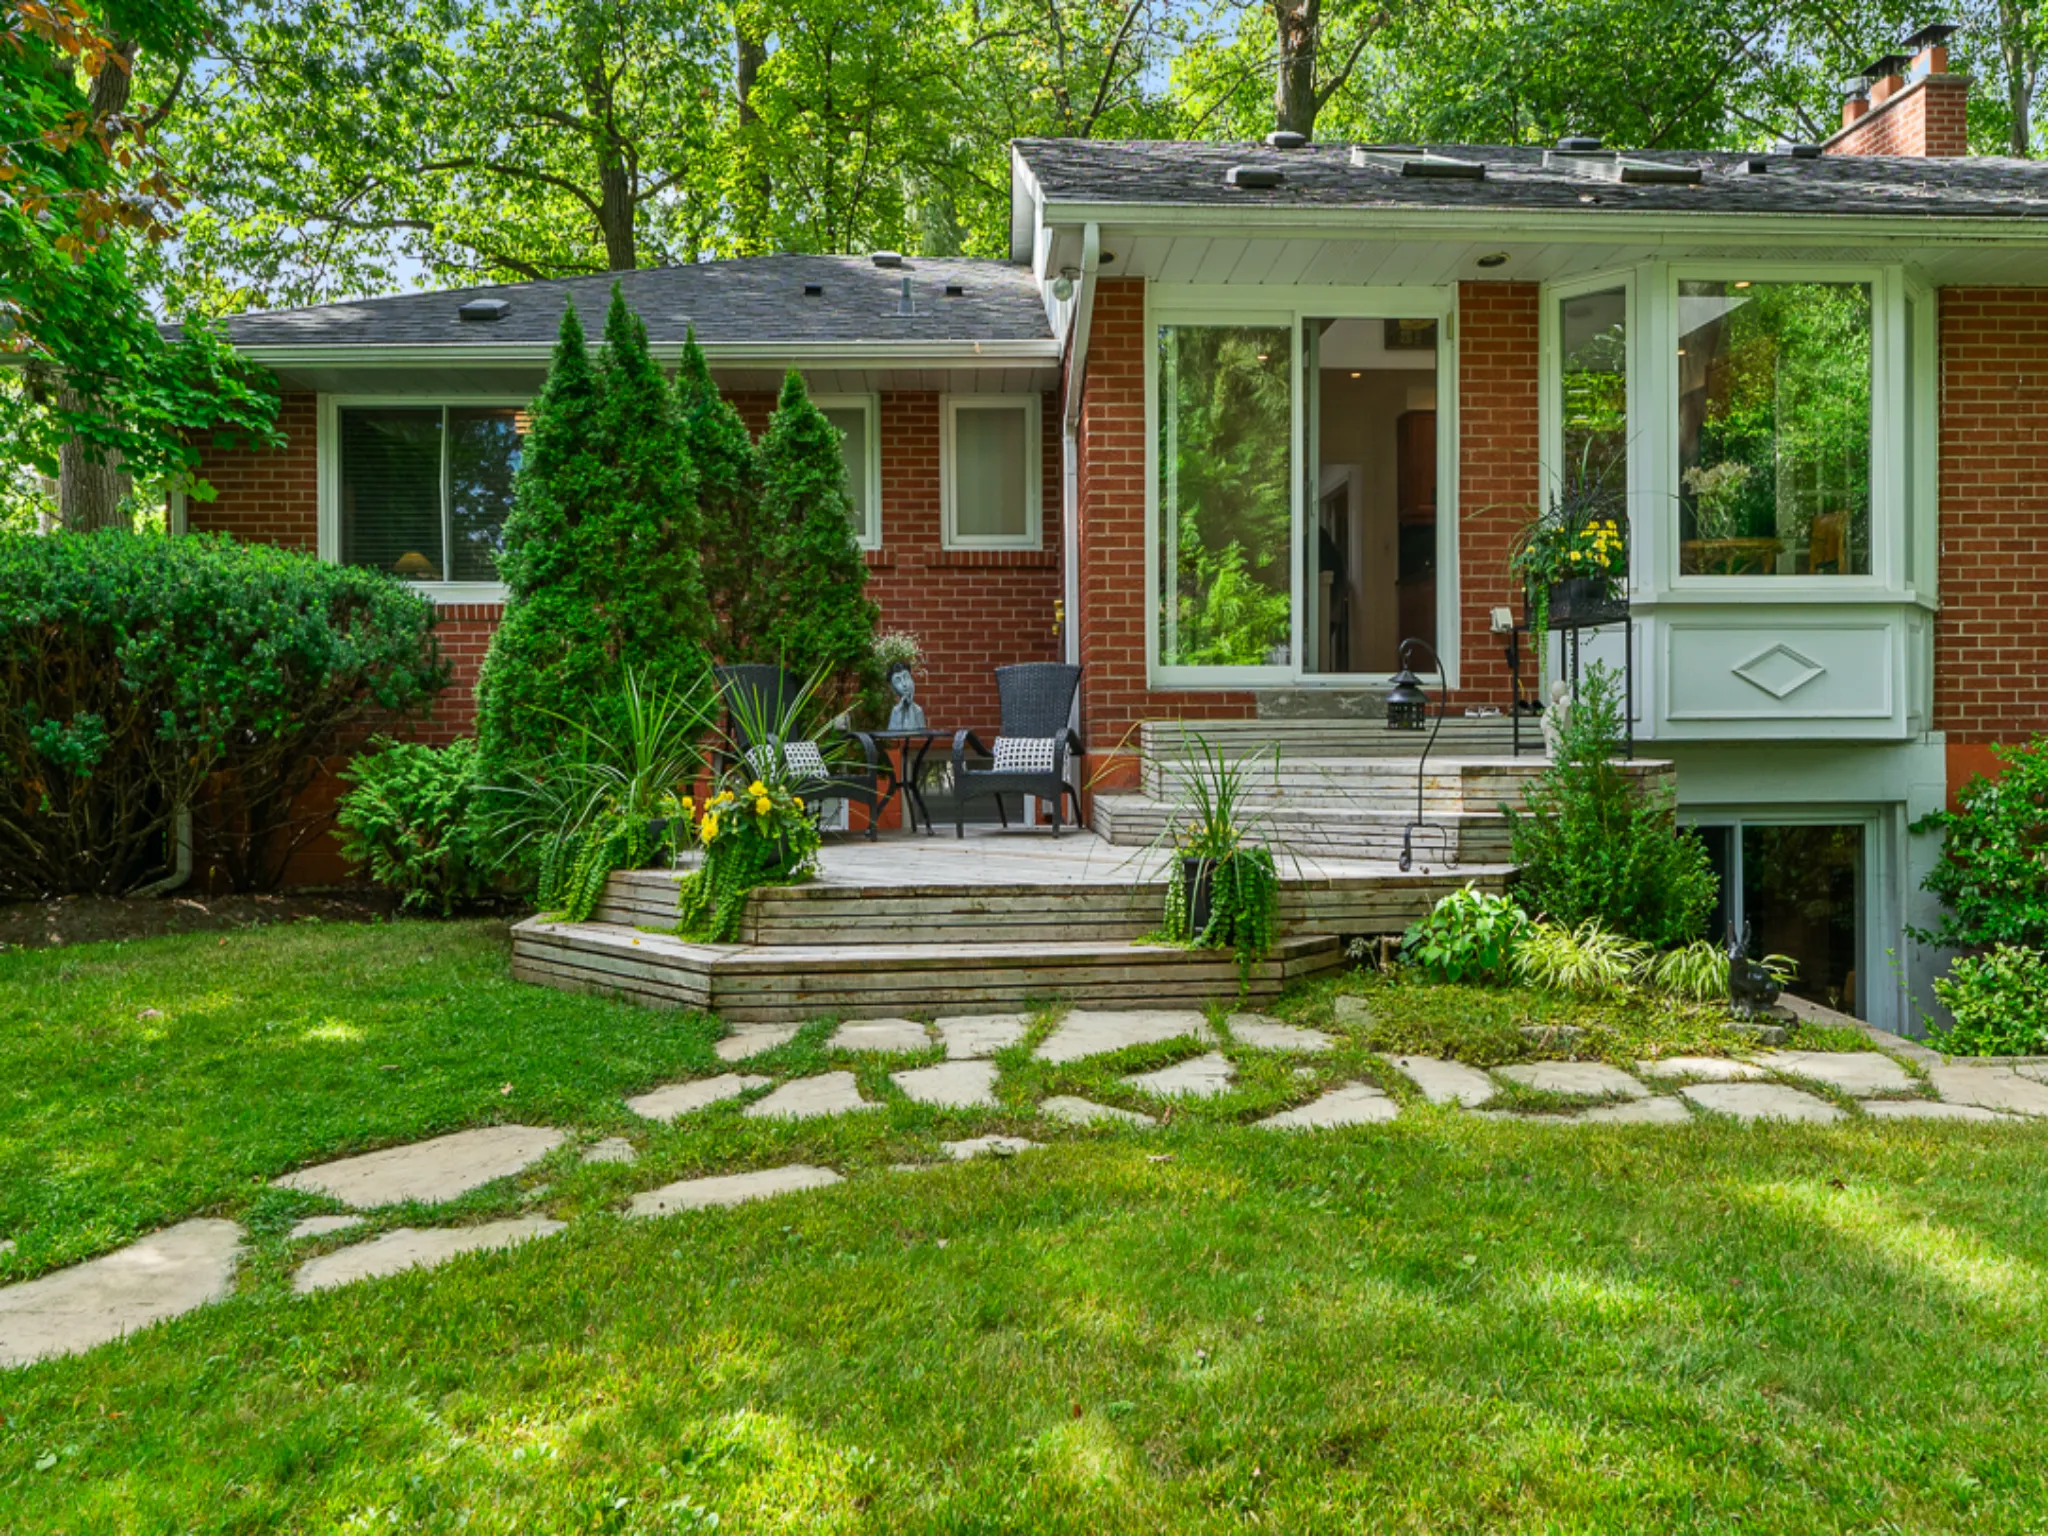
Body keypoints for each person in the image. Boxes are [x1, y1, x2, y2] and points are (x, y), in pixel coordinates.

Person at [886, 661, 926, 731]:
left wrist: (910, 706)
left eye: (906, 677)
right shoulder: (896, 711)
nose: (904, 684)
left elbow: (914, 730)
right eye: (898, 681)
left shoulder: (918, 710)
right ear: (894, 689)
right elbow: (894, 730)